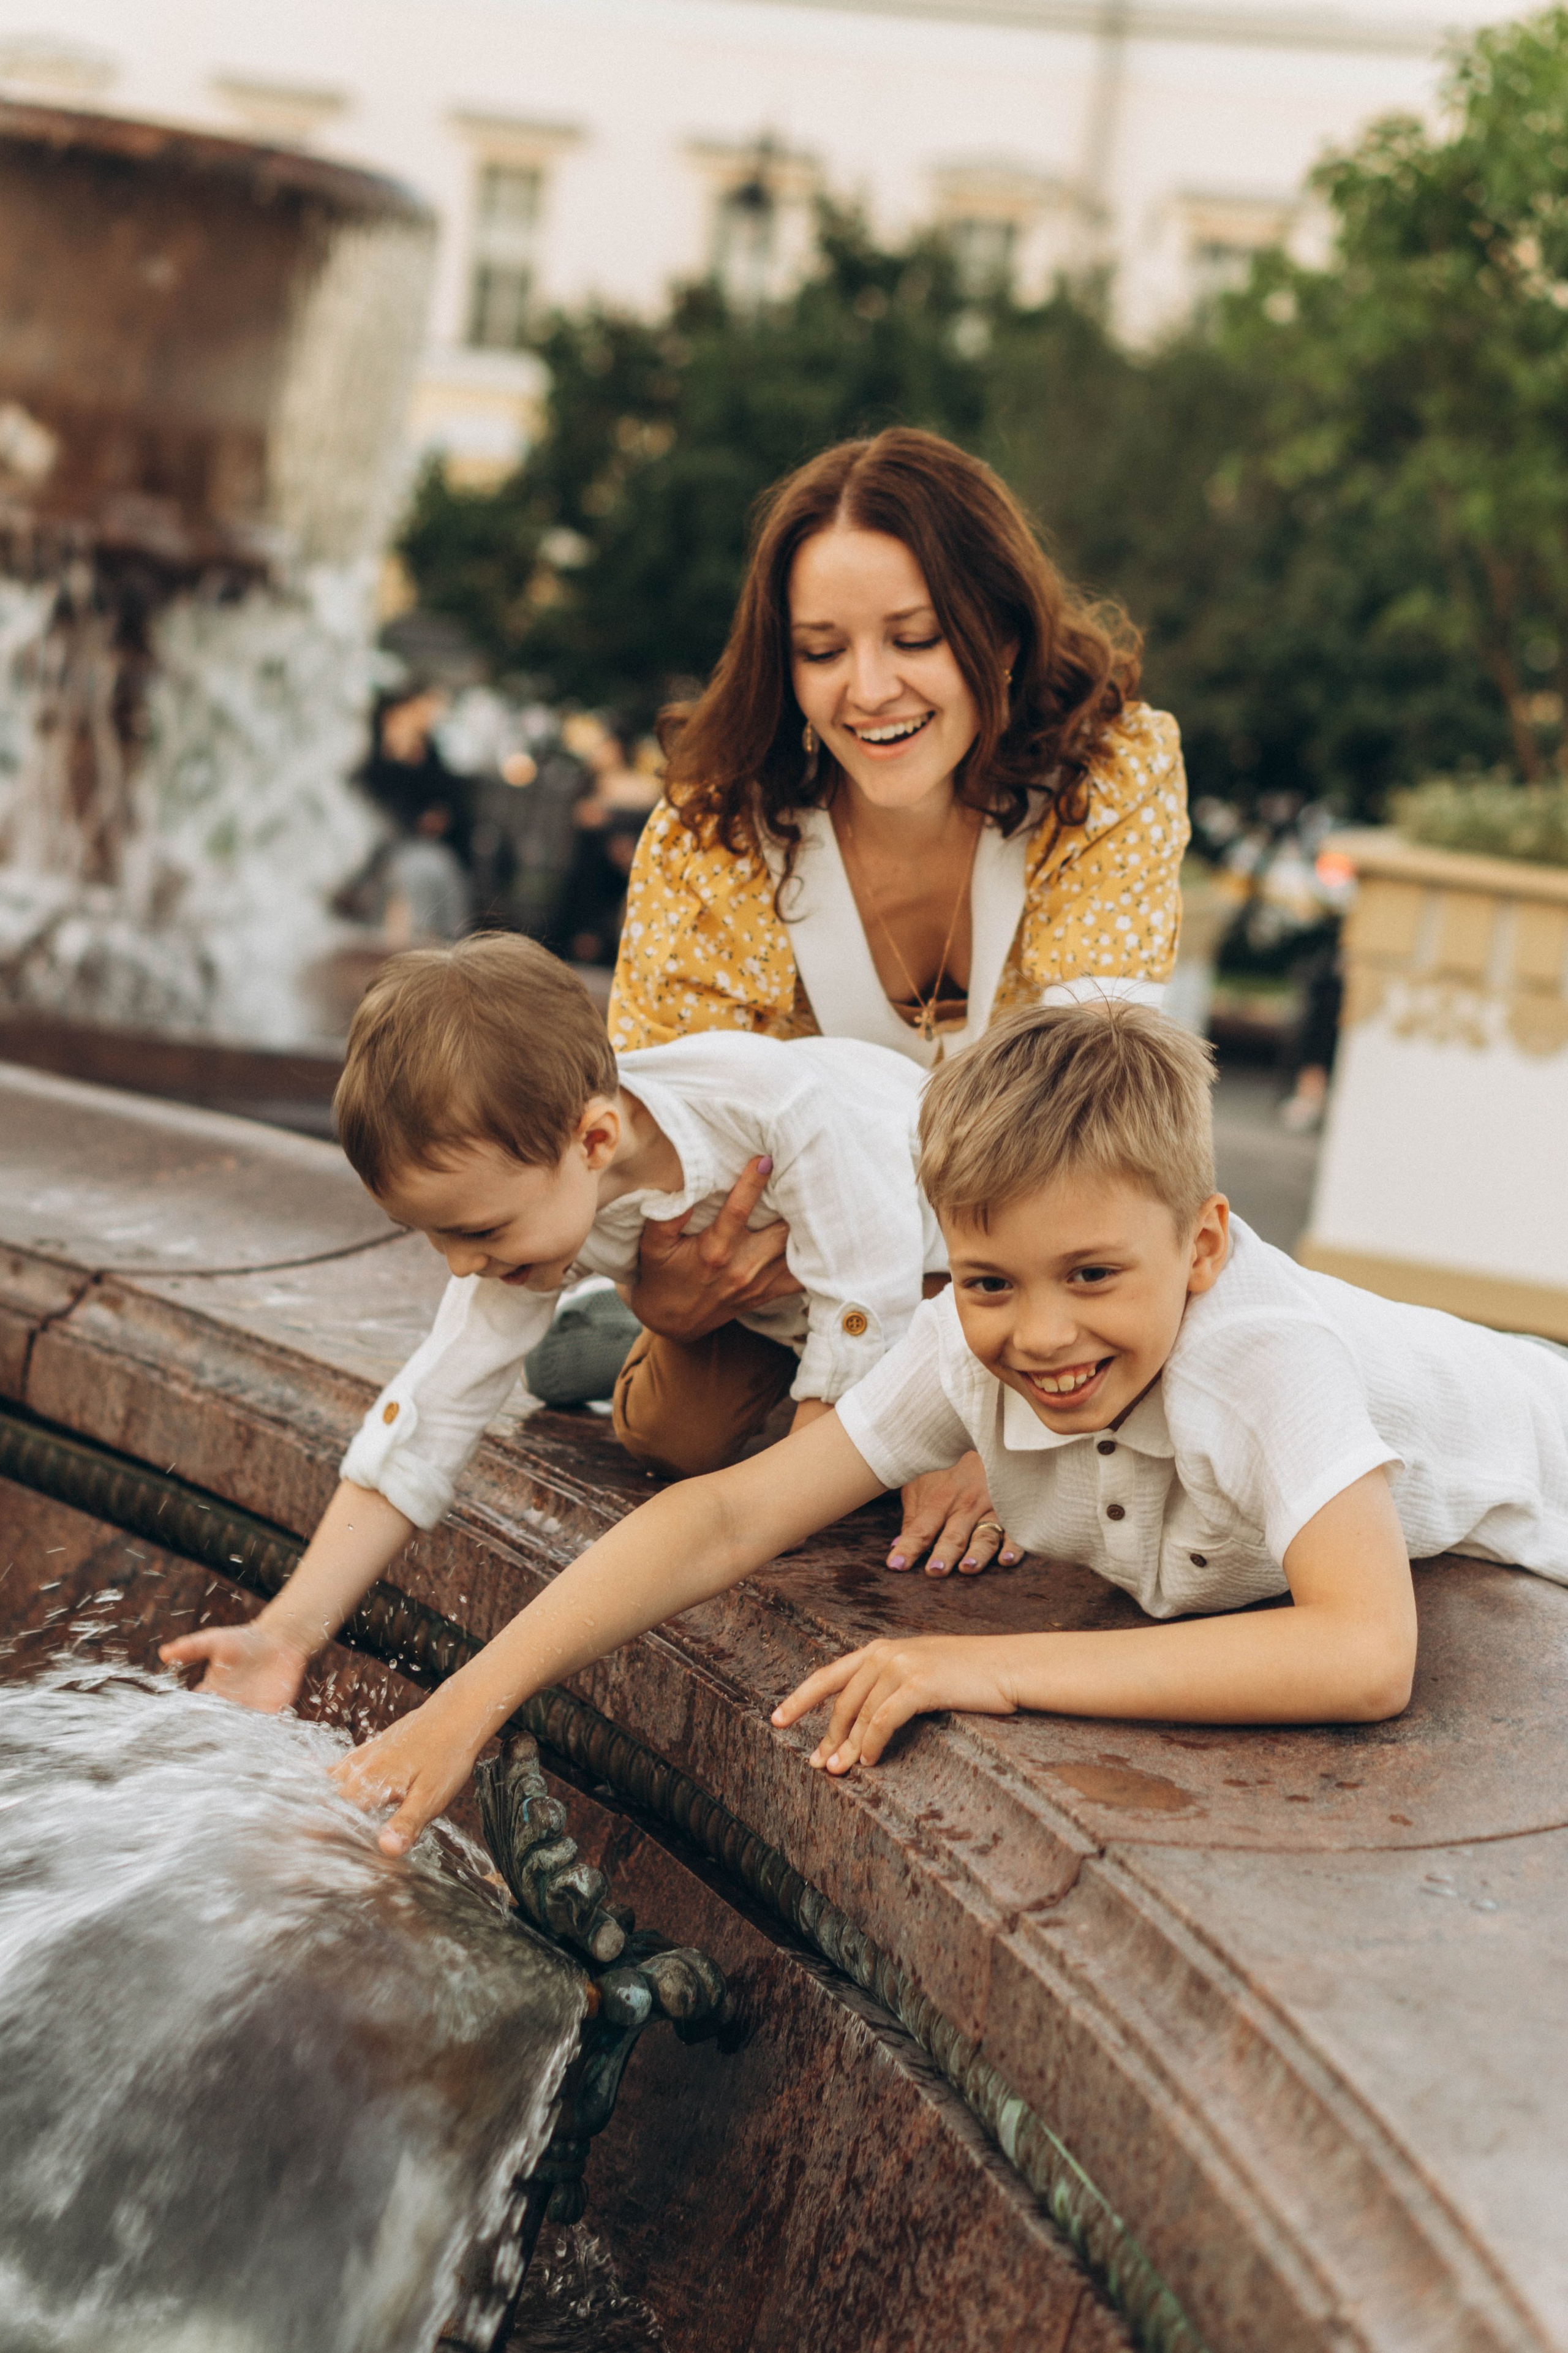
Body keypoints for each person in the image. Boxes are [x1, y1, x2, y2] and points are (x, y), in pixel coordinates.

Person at [166, 999, 1568, 1854]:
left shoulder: (1261, 1354)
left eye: (1093, 1274)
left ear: (1200, 1245)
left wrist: (990, 1670)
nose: (1037, 1336)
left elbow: (1361, 1647)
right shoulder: (963, 1340)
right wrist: (464, 1706)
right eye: (985, 1279)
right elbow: (721, 1512)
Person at [604, 426, 1189, 1576]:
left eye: (914, 639)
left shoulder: (1112, 773)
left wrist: (978, 1401)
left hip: (1022, 1258)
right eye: (822, 651)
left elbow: (1093, 1114)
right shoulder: (718, 828)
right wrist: (658, 1286)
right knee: (682, 1432)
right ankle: (593, 1341)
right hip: (804, 1275)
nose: (868, 690)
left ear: (1002, 632)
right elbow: (684, 1146)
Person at [161, 929, 946, 1705]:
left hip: (926, 1274)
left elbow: (869, 1308)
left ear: (596, 1138)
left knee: (863, 1454)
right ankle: (613, 1320)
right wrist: (288, 1629)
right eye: (434, 1237)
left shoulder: (783, 1111)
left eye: (478, 1233)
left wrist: (797, 1497)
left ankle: (609, 1324)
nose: (460, 1264)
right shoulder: (532, 1172)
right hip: (769, 1308)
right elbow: (435, 1402)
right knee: (672, 1440)